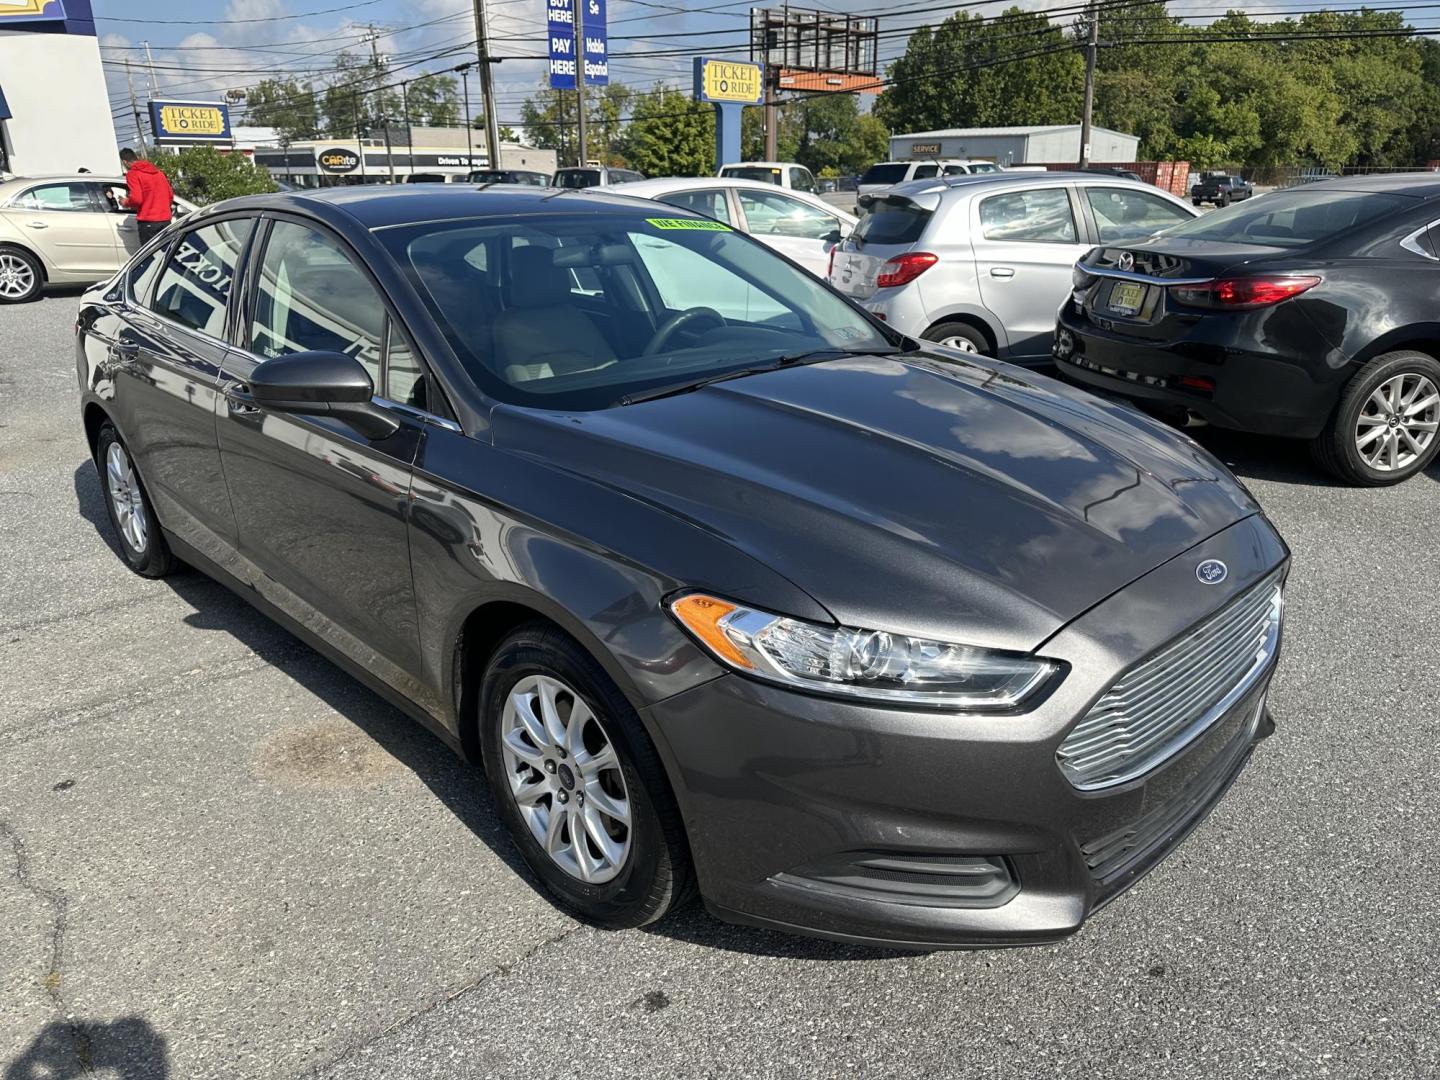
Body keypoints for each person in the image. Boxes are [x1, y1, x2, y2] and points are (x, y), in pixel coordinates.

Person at [119, 148, 175, 244]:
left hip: (148, 221)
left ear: (124, 162)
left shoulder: (133, 174)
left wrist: (125, 202)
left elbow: (137, 199)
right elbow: (170, 196)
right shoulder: (159, 173)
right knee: (166, 253)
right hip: (165, 220)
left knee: (150, 256)